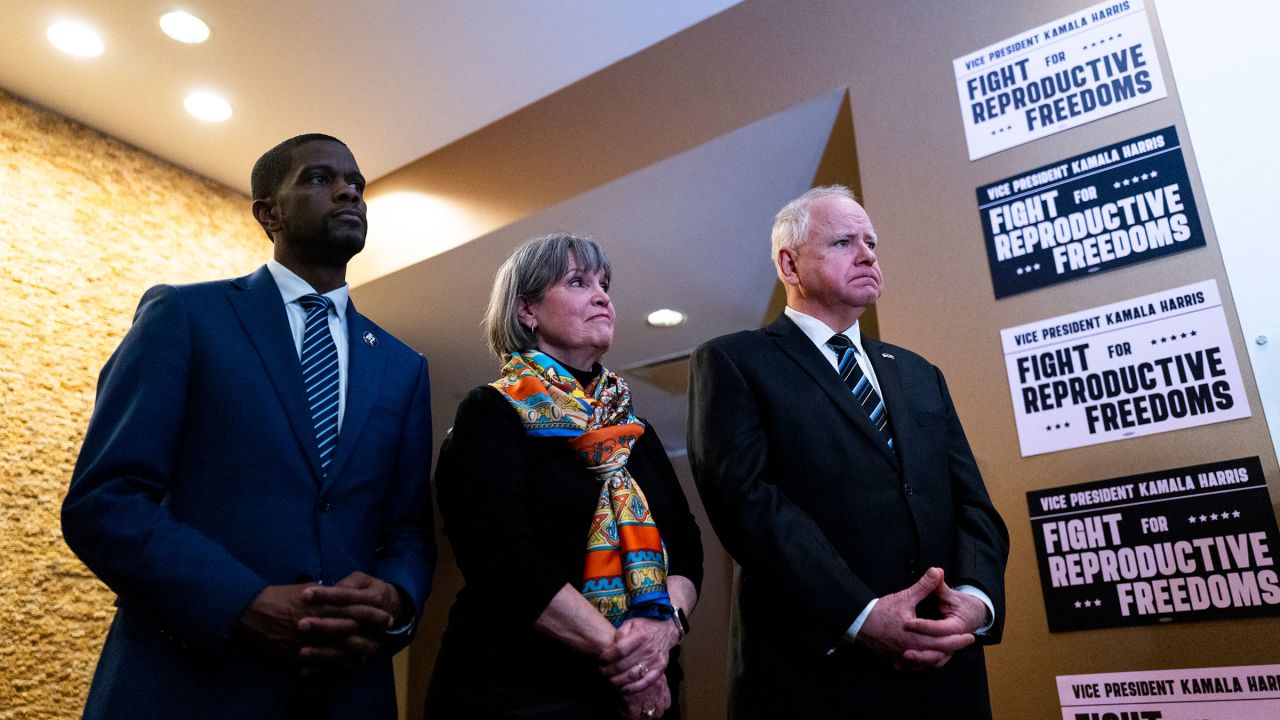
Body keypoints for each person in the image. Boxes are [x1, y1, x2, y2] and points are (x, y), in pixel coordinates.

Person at [61, 133, 435, 719]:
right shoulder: (184, 316)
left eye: (356, 184)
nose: (347, 192)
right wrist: (239, 602)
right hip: (190, 682)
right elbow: (106, 501)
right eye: (319, 178)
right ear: (269, 212)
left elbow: (409, 531)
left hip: (344, 693)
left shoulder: (404, 366)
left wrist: (397, 597)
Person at [687, 185, 1009, 719]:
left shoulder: (918, 373)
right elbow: (747, 504)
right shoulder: (733, 361)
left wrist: (975, 602)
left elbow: (971, 503)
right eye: (843, 242)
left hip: (944, 674)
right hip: (816, 676)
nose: (867, 255)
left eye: (871, 242)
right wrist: (860, 613)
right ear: (789, 264)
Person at [426, 233, 702, 720]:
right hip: (518, 691)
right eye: (578, 282)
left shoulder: (636, 429)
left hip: (648, 690)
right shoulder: (491, 412)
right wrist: (630, 661)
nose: (602, 296)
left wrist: (664, 632)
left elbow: (686, 544)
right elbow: (500, 555)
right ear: (526, 310)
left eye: (604, 285)